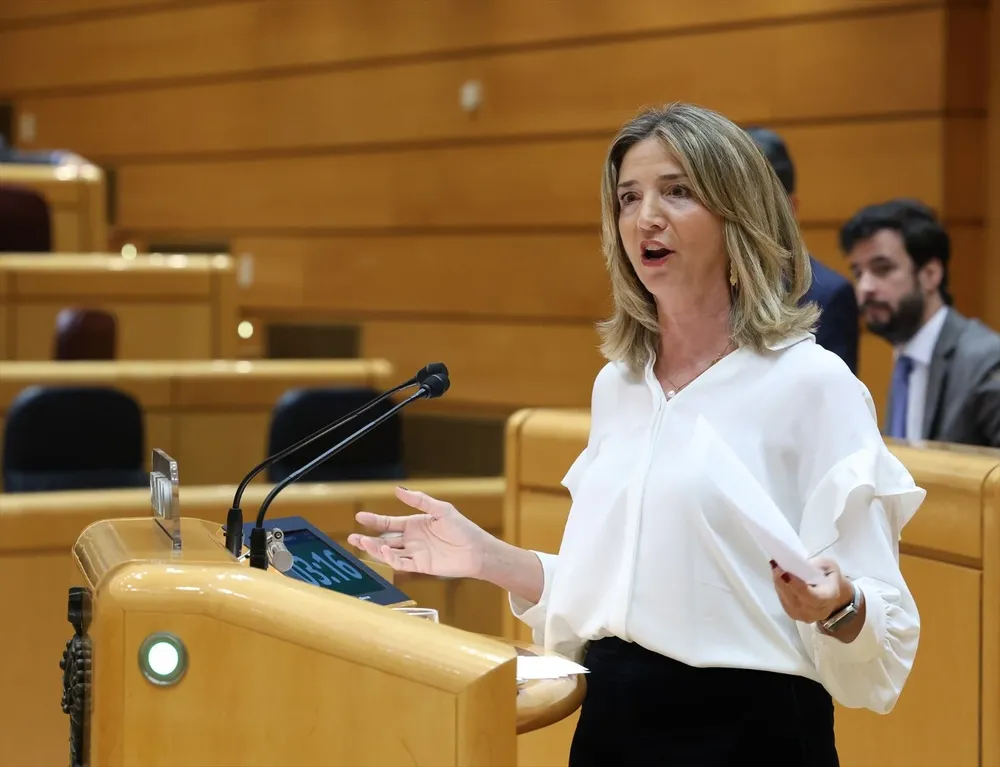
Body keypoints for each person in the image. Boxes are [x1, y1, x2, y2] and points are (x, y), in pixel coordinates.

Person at [349, 103, 925, 766]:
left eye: (677, 192)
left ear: (737, 212)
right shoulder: (618, 385)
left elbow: (886, 624)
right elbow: (616, 596)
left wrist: (839, 603)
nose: (645, 216)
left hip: (748, 738)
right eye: (628, 197)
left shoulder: (812, 384)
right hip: (614, 729)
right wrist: (484, 556)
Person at [841, 198, 1000, 447]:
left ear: (930, 275)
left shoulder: (985, 362)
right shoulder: (905, 356)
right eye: (858, 273)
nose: (865, 288)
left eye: (882, 269)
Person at [745, 126, 860, 374]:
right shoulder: (714, 282)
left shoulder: (828, 292)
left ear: (791, 207)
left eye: (761, 201)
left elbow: (832, 400)